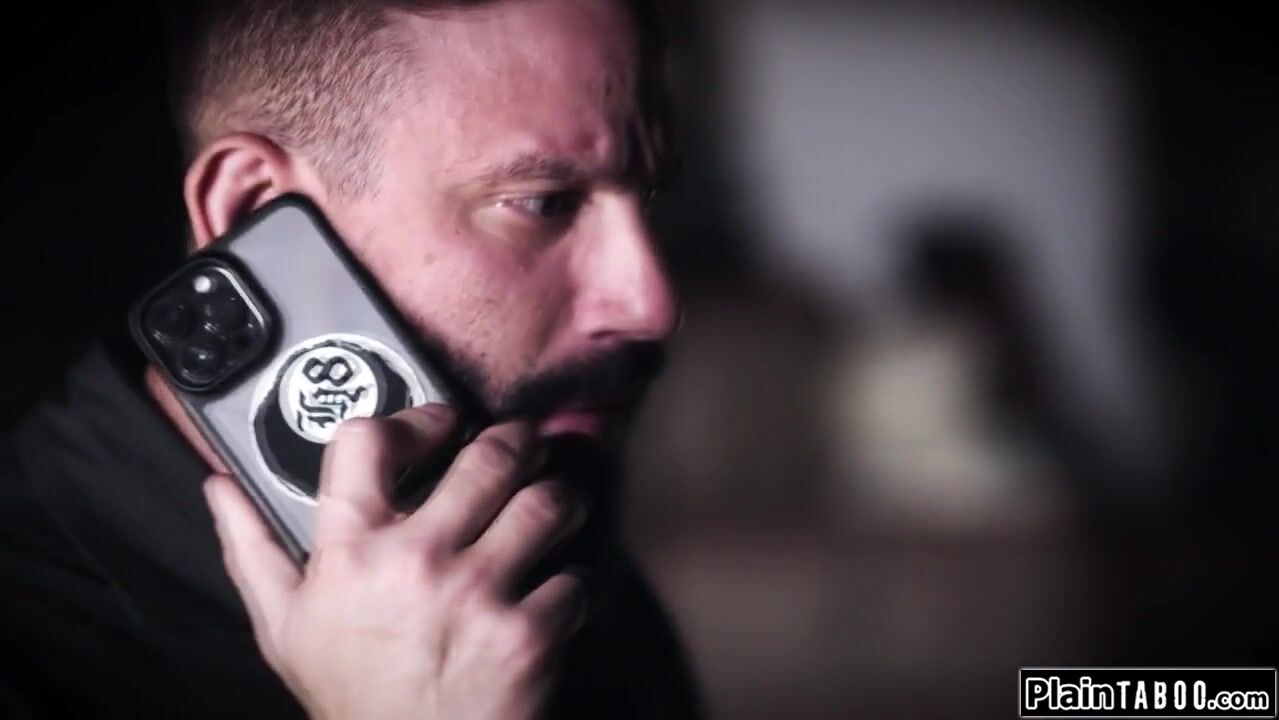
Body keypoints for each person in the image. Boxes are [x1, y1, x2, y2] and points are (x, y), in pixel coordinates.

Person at [0, 0, 703, 718]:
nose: (650, 304)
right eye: (544, 202)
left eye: (648, 198)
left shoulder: (551, 563)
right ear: (253, 209)